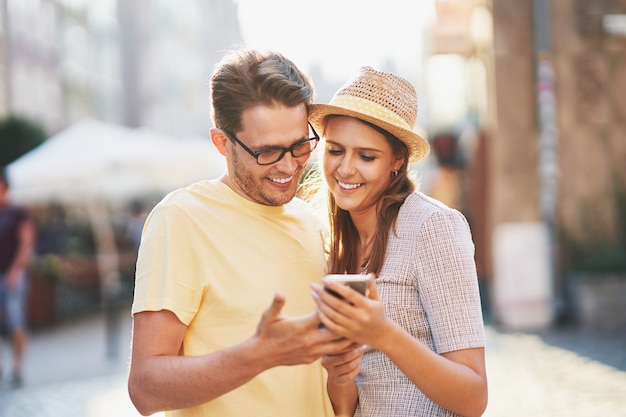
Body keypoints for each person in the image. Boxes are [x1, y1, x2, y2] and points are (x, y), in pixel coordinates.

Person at [127, 47, 358, 417]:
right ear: (222, 143)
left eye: (299, 145)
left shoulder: (310, 221)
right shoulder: (181, 219)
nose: (288, 165)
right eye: (267, 152)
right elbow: (145, 388)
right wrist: (258, 355)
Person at [309, 67, 488, 417]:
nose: (345, 169)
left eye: (366, 156)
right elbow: (346, 408)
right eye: (335, 150)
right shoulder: (334, 243)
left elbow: (473, 397)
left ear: (396, 161)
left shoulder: (432, 227)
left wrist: (383, 334)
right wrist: (338, 371)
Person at [0, 168, 35, 387]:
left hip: (12, 275)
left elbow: (26, 242)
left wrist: (15, 270)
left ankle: (18, 367)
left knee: (16, 321)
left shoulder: (18, 212)